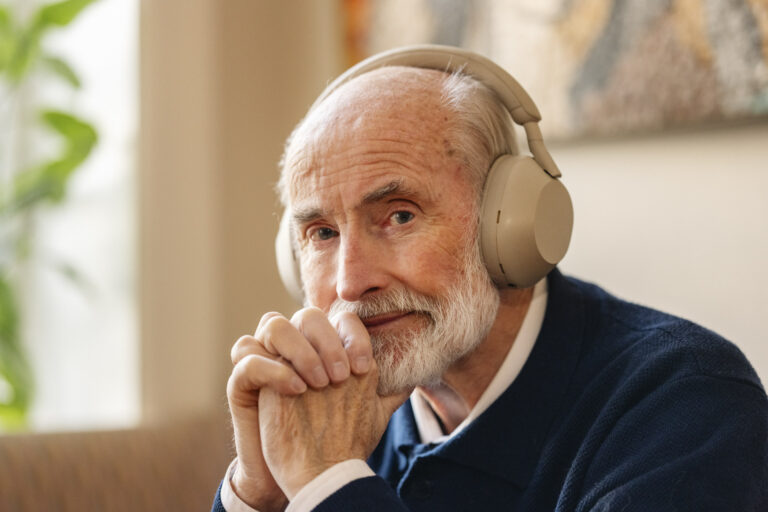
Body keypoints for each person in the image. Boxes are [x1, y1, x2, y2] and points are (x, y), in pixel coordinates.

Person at [211, 46, 768, 512]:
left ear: (511, 223)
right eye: (321, 233)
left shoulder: (688, 403)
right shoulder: (335, 411)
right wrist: (259, 494)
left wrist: (330, 484)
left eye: (399, 215)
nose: (351, 282)